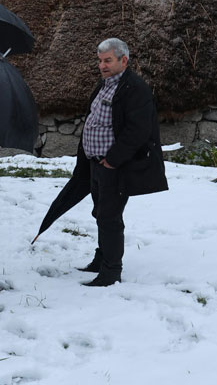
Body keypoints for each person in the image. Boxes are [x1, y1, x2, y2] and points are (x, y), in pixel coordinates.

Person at [78, 38, 168, 287]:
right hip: (96, 163)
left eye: (107, 60)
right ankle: (101, 258)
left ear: (123, 60)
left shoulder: (134, 88)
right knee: (100, 214)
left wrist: (112, 160)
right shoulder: (105, 84)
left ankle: (110, 272)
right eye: (100, 61)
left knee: (110, 217)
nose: (102, 65)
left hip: (114, 167)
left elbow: (138, 131)